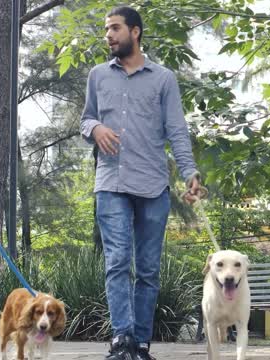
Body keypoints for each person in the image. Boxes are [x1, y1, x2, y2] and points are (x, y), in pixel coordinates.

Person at [80, 6, 203, 360]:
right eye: (106, 29)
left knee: (148, 270)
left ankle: (142, 344)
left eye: (115, 28)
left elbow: (177, 131)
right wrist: (96, 128)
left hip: (153, 186)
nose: (108, 35)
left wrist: (189, 172)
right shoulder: (98, 76)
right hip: (111, 182)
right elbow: (86, 119)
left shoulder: (163, 78)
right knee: (117, 261)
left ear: (135, 32)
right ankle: (122, 339)